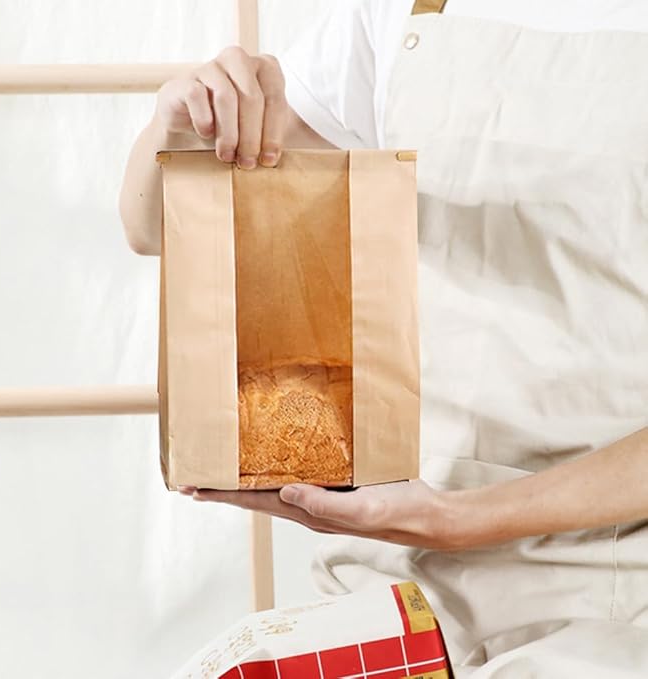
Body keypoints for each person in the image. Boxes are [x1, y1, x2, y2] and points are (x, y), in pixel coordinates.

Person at [120, 1, 648, 675]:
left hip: (614, 590)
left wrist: (458, 518)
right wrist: (178, 124)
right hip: (398, 579)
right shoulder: (401, 11)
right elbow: (153, 228)